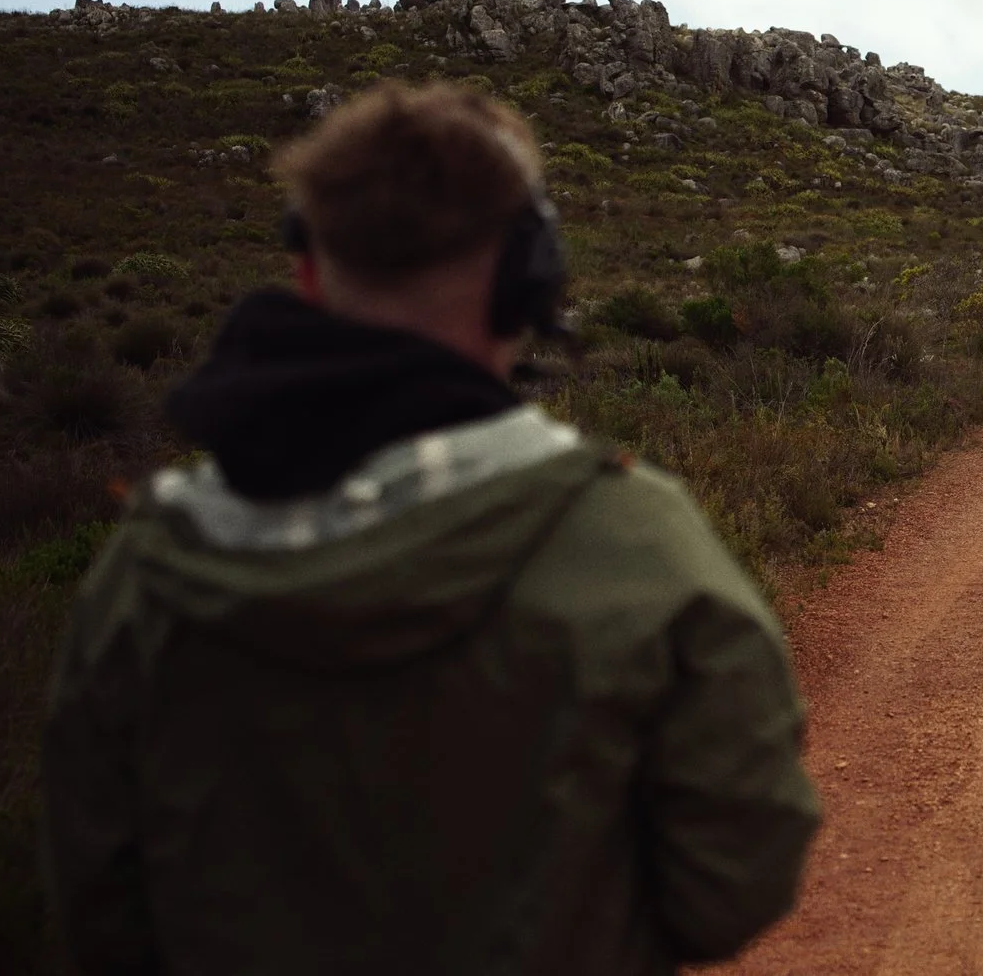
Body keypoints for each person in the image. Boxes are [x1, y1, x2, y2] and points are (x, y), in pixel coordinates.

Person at [40, 81, 821, 975]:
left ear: (306, 272)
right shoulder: (633, 535)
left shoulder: (145, 570)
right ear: (531, 275)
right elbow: (734, 884)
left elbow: (99, 912)